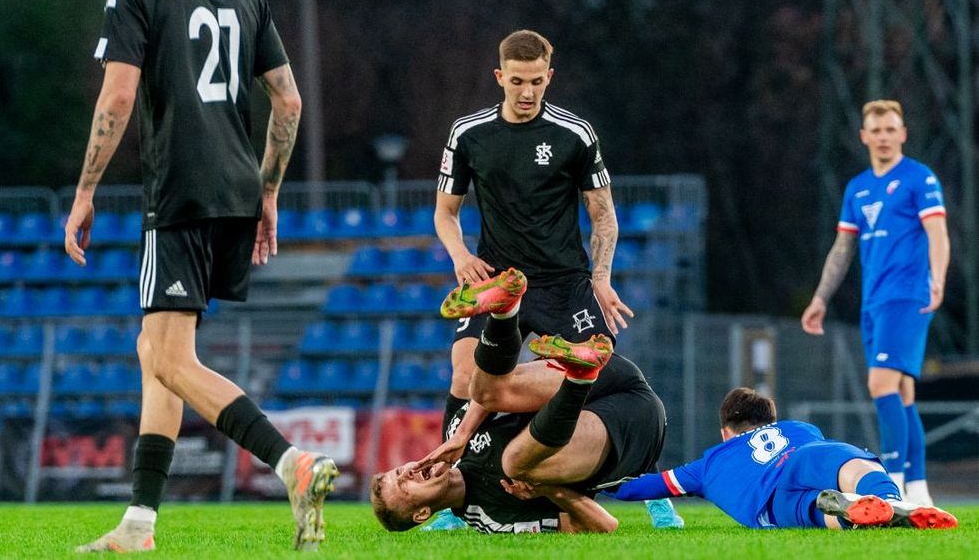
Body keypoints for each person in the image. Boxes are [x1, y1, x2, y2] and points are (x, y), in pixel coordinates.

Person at [63, 0, 337, 552]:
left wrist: (86, 188)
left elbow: (119, 95)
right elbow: (289, 100)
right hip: (238, 187)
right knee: (155, 350)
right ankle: (139, 522)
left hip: (180, 187)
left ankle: (290, 462)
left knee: (168, 355)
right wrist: (269, 189)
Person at [432, 29, 682, 528]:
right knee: (465, 378)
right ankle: (455, 495)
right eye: (518, 81)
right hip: (500, 286)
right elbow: (445, 212)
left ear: (551, 77)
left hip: (565, 285)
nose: (527, 93)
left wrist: (603, 277)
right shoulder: (468, 134)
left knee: (603, 380)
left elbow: (603, 213)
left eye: (537, 82)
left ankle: (653, 489)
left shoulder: (575, 134)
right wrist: (460, 256)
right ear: (500, 77)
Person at [371, 323, 666, 534]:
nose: (408, 472)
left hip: (612, 376)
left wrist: (462, 435)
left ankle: (508, 314)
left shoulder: (455, 436)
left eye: (400, 471)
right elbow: (605, 526)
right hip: (631, 432)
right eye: (404, 486)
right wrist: (550, 490)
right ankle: (575, 374)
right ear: (422, 513)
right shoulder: (495, 517)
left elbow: (488, 390)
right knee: (516, 464)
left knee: (485, 388)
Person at [800, 100, 950, 505]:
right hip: (874, 302)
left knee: (879, 383)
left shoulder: (919, 178)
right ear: (864, 136)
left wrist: (937, 278)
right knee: (902, 393)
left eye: (891, 129)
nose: (884, 137)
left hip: (906, 295)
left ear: (902, 134)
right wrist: (819, 299)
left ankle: (893, 485)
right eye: (876, 130)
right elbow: (843, 247)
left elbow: (937, 233)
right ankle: (919, 492)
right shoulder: (858, 187)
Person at [608, 387, 957, 530]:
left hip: (772, 504)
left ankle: (851, 513)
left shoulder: (709, 464)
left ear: (726, 432)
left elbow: (644, 487)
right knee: (852, 466)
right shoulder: (799, 428)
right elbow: (829, 460)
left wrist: (596, 483)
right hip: (804, 455)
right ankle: (894, 502)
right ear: (770, 421)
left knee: (816, 512)